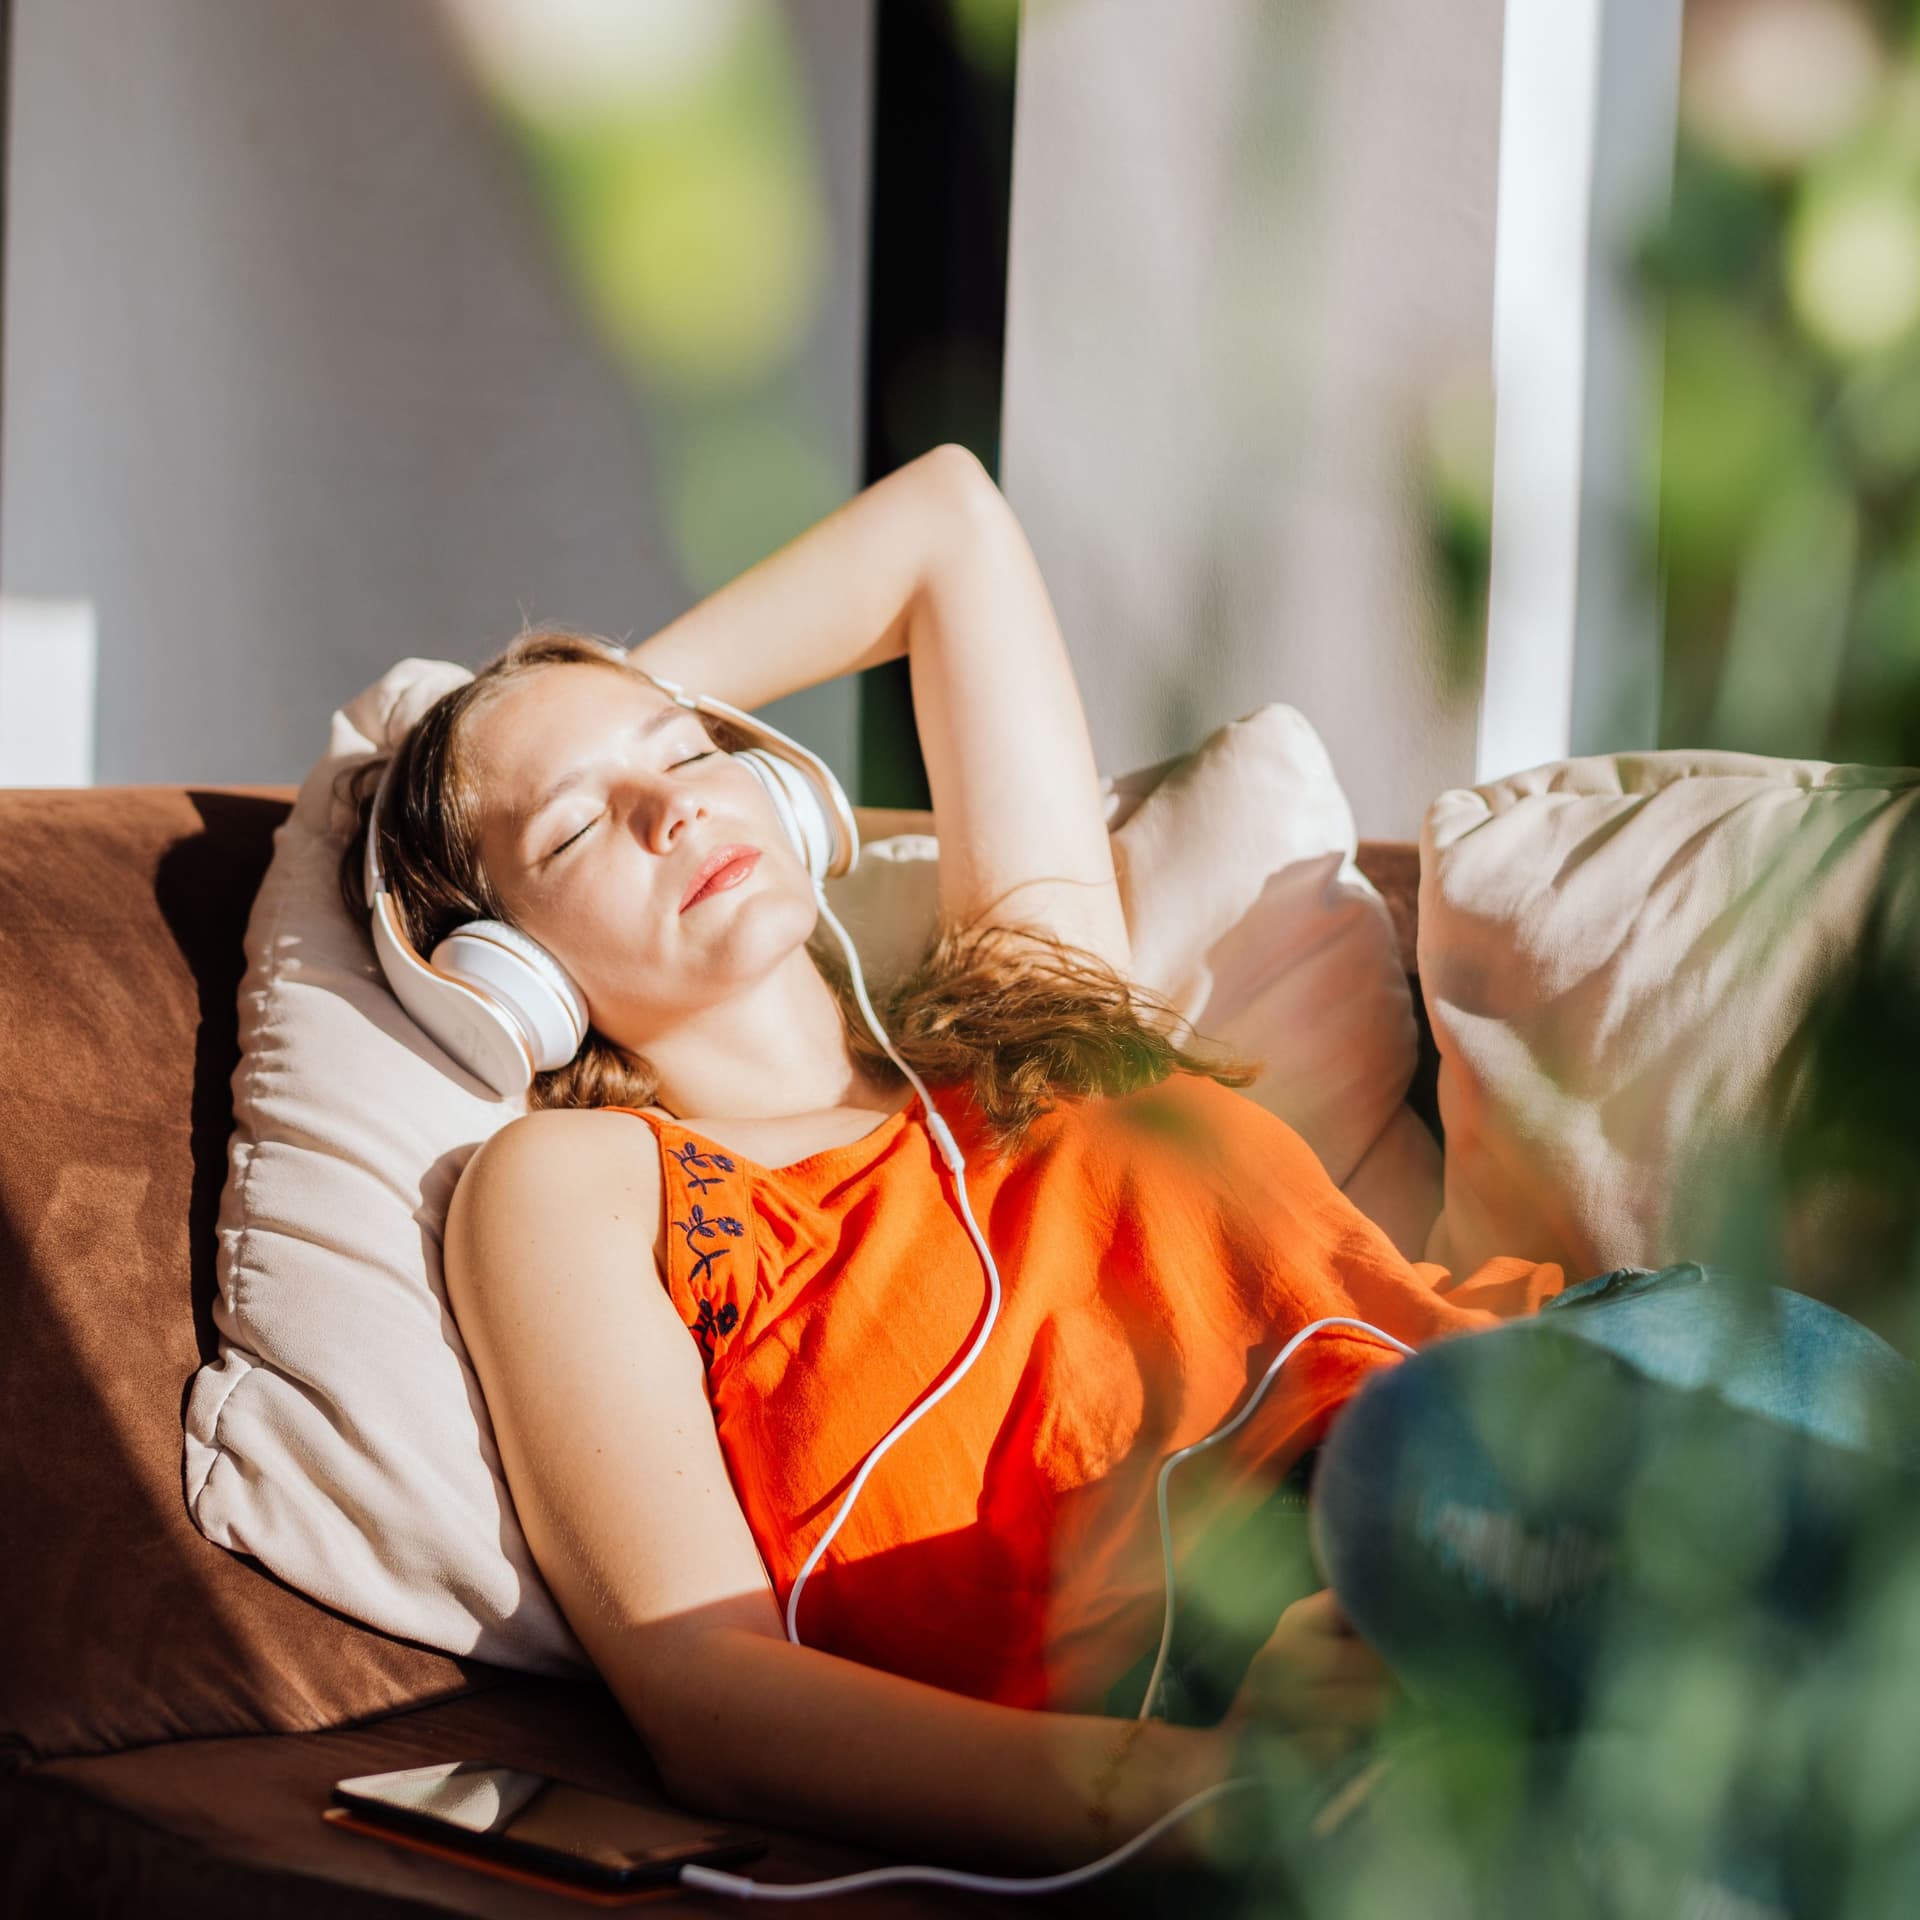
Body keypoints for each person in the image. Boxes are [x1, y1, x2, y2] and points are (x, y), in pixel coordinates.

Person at [337, 445, 1919, 1900]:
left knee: (1473, 1481)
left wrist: (612, 705)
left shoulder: (1032, 1003)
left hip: (1595, 1395)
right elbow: (711, 1698)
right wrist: (1213, 1785)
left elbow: (948, 524)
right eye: (577, 831)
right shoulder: (576, 1185)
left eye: (685, 757)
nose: (672, 802)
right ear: (502, 973)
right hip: (1330, 1639)